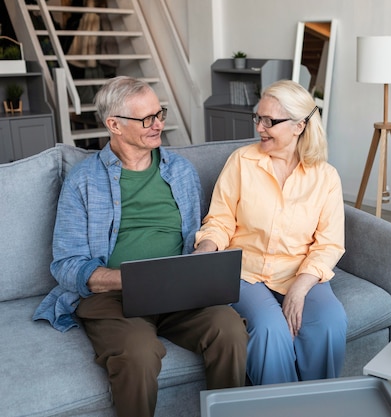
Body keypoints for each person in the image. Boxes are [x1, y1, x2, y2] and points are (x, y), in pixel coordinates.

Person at [33, 76, 248, 417]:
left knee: (230, 327)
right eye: (147, 118)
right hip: (111, 299)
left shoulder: (180, 171)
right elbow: (66, 264)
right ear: (114, 125)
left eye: (159, 113)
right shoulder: (83, 181)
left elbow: (200, 232)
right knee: (138, 352)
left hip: (179, 292)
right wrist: (132, 279)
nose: (159, 124)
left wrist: (202, 256)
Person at [194, 79, 347, 385]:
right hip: (244, 271)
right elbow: (221, 220)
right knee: (269, 329)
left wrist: (300, 289)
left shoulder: (326, 177)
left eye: (269, 121)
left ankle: (317, 406)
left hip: (299, 270)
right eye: (258, 118)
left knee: (331, 322)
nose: (260, 128)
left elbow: (329, 244)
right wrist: (205, 251)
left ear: (299, 126)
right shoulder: (242, 162)